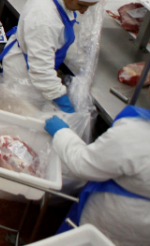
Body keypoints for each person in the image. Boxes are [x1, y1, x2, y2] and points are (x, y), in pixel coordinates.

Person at [0, 0, 107, 116]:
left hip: (31, 58)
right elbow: (41, 70)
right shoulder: (45, 20)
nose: (84, 11)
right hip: (25, 77)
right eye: (80, 5)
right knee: (16, 120)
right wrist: (60, 98)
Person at [44, 105, 150, 246]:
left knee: (84, 241)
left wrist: (61, 133)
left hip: (114, 221)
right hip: (141, 234)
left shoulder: (137, 133)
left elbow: (83, 163)